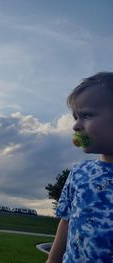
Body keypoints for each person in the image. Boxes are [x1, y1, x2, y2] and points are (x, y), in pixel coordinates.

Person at [46, 72, 113, 262]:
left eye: (86, 115)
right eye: (75, 117)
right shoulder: (79, 173)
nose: (76, 126)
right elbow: (65, 224)